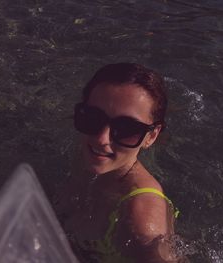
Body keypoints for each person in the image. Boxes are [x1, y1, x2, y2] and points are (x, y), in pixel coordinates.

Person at [56, 63, 180, 263]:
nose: (102, 139)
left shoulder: (142, 218)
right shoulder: (89, 156)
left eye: (127, 128)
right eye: (92, 118)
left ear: (151, 136)